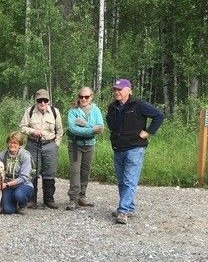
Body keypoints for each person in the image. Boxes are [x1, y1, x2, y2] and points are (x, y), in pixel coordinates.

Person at [106, 78, 164, 224]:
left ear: (128, 90)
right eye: (115, 89)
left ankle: (123, 211)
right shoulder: (112, 107)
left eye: (120, 89)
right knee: (121, 181)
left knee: (129, 181)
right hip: (118, 148)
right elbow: (112, 125)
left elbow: (159, 115)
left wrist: (148, 132)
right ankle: (130, 207)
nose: (117, 92)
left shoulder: (138, 105)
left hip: (135, 148)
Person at [20, 89, 63, 209]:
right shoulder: (29, 111)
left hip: (50, 145)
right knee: (32, 172)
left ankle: (49, 199)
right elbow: (22, 127)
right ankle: (31, 199)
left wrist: (56, 145)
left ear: (48, 101)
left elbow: (59, 130)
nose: (42, 103)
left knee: (49, 172)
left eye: (45, 100)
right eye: (40, 100)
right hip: (33, 145)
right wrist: (33, 131)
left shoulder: (55, 112)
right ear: (36, 101)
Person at [65, 87, 104, 210]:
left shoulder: (96, 110)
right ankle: (73, 199)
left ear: (91, 97)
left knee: (85, 172)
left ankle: (82, 196)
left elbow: (101, 128)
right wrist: (92, 129)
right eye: (81, 96)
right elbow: (73, 129)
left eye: (86, 97)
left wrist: (85, 125)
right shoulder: (73, 111)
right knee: (75, 172)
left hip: (89, 145)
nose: (83, 99)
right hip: (75, 145)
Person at [0, 131, 34, 215]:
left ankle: (22, 205)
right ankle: (12, 202)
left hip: (23, 184)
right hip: (8, 186)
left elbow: (23, 177)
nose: (12, 145)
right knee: (7, 210)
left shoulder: (25, 156)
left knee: (18, 194)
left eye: (15, 143)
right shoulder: (4, 153)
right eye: (10, 142)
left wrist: (6, 185)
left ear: (20, 144)